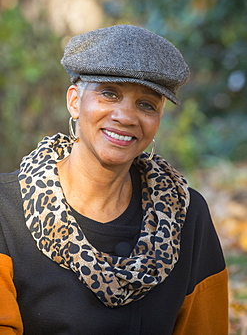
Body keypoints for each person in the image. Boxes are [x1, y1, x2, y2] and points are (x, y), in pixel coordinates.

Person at [0, 25, 228, 335]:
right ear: (74, 102)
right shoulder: (7, 211)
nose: (125, 116)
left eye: (146, 104)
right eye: (110, 94)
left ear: (158, 119)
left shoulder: (186, 216)